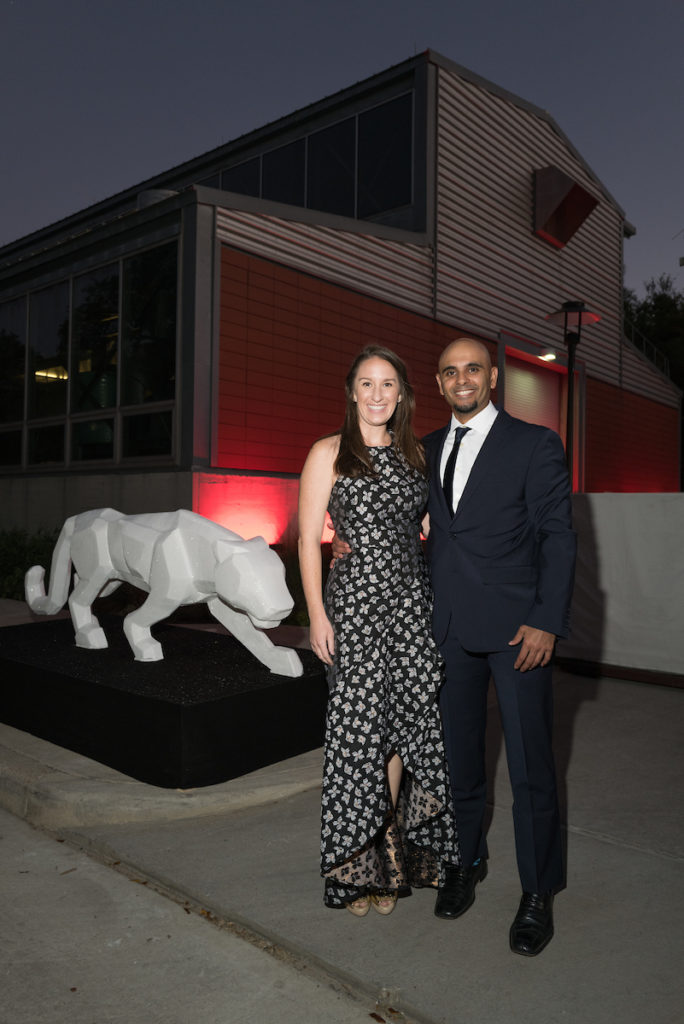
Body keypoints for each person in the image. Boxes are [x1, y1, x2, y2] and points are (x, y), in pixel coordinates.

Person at [424, 337, 576, 956]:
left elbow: (558, 537)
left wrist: (546, 620)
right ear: (438, 383)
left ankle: (538, 890)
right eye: (450, 371)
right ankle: (467, 857)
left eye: (473, 369)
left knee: (531, 767)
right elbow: (424, 526)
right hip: (451, 629)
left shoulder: (534, 443)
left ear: (493, 378)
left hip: (519, 634)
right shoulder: (427, 447)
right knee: (461, 757)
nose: (462, 379)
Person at [298, 345, 459, 918]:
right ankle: (353, 861)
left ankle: (383, 863)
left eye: (387, 384)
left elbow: (425, 524)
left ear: (402, 395)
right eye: (365, 383)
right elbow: (307, 540)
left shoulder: (416, 454)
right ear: (351, 391)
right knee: (356, 732)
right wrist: (317, 614)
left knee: (399, 728)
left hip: (410, 606)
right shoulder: (328, 452)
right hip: (355, 609)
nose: (376, 394)